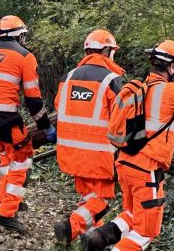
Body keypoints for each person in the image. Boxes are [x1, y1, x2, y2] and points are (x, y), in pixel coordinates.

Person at [85, 40, 174, 251]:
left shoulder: (142, 87)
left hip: (125, 164)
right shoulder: (169, 92)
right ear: (170, 66)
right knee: (145, 232)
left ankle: (99, 237)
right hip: (146, 171)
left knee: (133, 215)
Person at [0, 15, 56, 234]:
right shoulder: (25, 56)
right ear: (21, 36)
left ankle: (6, 199)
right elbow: (33, 98)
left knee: (8, 155)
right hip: (3, 117)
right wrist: (46, 126)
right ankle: (6, 213)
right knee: (23, 156)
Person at [52, 29, 126, 245]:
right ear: (106, 51)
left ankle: (91, 240)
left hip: (71, 152)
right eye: (112, 51)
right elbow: (122, 116)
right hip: (100, 154)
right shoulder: (112, 80)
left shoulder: (69, 77)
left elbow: (59, 107)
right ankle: (71, 226)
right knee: (101, 201)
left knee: (88, 197)